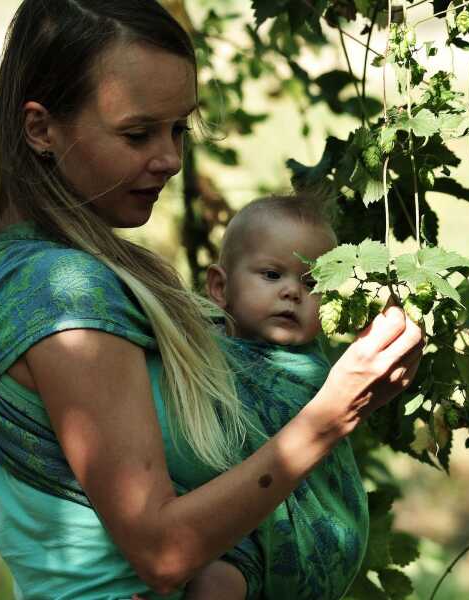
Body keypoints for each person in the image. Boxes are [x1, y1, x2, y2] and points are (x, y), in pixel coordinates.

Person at [0, 1, 423, 599]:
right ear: (41, 128)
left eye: (178, 128)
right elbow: (162, 552)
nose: (170, 158)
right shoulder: (60, 295)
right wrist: (330, 415)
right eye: (137, 133)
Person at [182, 193, 367, 599]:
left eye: (312, 283)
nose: (292, 293)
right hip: (240, 518)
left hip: (309, 535)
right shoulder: (203, 342)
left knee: (215, 578)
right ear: (219, 286)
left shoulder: (313, 375)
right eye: (271, 275)